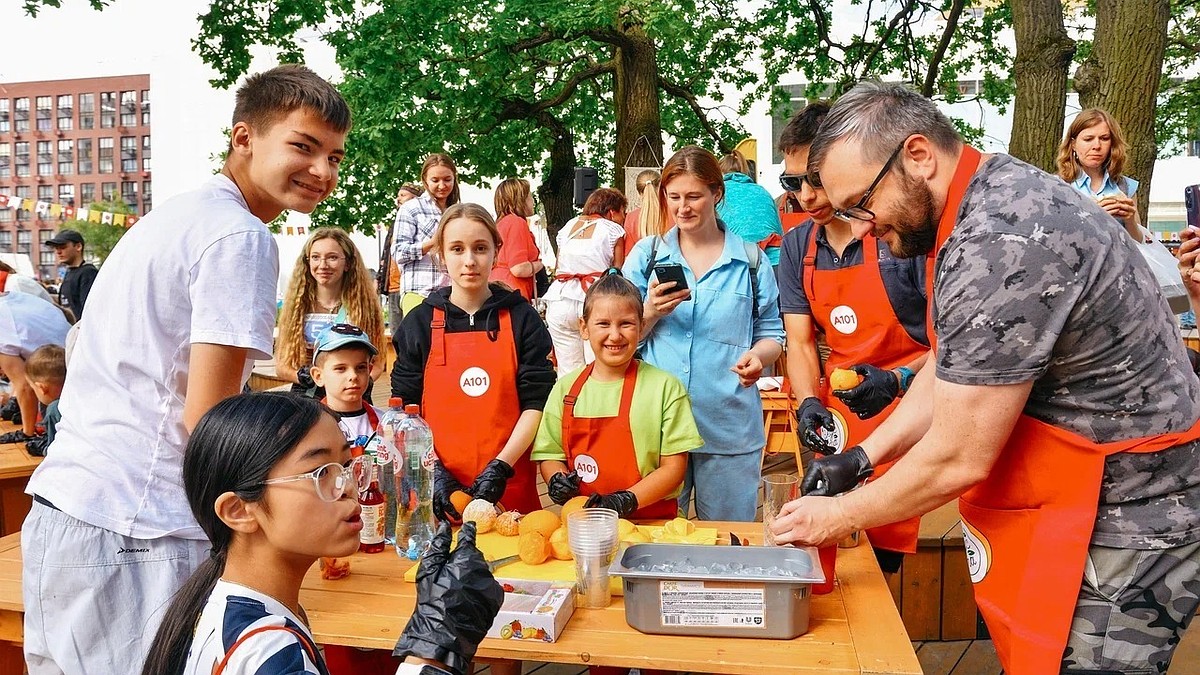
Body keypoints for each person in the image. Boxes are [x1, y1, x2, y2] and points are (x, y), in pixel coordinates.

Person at [772, 81, 1200, 674]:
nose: (863, 229)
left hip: (1131, 510)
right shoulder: (978, 199)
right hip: (1078, 494)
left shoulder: (1001, 239)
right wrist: (863, 458)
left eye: (862, 204)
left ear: (918, 157)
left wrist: (838, 514)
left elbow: (958, 456)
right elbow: (952, 366)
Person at [21, 65, 351, 674]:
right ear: (244, 138)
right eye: (303, 147)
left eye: (334, 156)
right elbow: (209, 423)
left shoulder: (178, 217)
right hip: (138, 525)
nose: (323, 172)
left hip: (73, 507)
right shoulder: (239, 237)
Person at [139, 393, 502, 675]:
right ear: (239, 511)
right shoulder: (269, 653)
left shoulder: (225, 605)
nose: (348, 487)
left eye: (346, 466)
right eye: (320, 473)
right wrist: (433, 650)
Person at [775, 101, 928, 573]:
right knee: (831, 549)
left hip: (912, 410)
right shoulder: (799, 245)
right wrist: (806, 404)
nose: (804, 195)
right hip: (840, 420)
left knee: (883, 557)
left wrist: (898, 377)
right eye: (792, 182)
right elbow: (800, 343)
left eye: (814, 179)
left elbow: (951, 348)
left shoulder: (899, 235)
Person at [622, 146, 784, 522]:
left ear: (717, 194)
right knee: (654, 542)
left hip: (728, 426)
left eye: (694, 196)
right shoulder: (647, 257)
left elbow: (773, 333)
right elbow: (616, 338)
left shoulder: (751, 260)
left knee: (728, 545)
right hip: (658, 429)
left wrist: (759, 357)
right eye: (674, 197)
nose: (683, 207)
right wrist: (648, 312)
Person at [392, 203, 556, 519]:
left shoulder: (523, 319)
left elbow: (537, 403)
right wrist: (436, 475)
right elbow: (403, 413)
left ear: (496, 250)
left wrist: (500, 467)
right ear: (440, 254)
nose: (469, 261)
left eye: (480, 248)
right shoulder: (419, 324)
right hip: (439, 492)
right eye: (457, 249)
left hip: (510, 488)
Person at [534, 271, 700, 521]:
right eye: (603, 324)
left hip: (652, 522)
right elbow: (550, 453)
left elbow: (674, 469)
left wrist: (625, 500)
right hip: (585, 524)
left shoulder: (665, 388)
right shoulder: (565, 389)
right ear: (584, 327)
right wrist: (556, 478)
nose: (615, 335)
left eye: (626, 324)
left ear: (642, 326)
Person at [275, 228, 386, 398]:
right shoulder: (297, 307)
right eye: (315, 257)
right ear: (307, 262)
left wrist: (361, 382)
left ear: (348, 263)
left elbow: (377, 362)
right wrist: (304, 376)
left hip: (351, 395)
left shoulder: (364, 307)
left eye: (332, 257)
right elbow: (282, 367)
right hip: (308, 395)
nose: (323, 265)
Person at [544, 188, 627, 374]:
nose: (624, 218)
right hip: (592, 300)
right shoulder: (614, 229)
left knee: (567, 372)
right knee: (598, 369)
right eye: (623, 212)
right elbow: (618, 270)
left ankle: (568, 402)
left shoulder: (567, 227)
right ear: (612, 212)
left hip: (560, 300)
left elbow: (559, 266)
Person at [1056, 108, 1142, 241]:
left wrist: (1130, 219)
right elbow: (1053, 241)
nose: (1097, 145)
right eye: (1088, 139)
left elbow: (1138, 244)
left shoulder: (1125, 186)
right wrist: (1092, 217)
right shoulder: (1057, 186)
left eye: (1104, 138)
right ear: (1073, 144)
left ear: (1112, 144)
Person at [392, 153, 460, 318]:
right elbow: (398, 253)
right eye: (435, 180)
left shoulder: (458, 211)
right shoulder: (411, 208)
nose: (442, 185)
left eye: (447, 179)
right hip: (419, 292)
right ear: (425, 180)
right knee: (421, 343)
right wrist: (432, 242)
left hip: (453, 295)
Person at [0, 292, 69, 445]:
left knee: (54, 418)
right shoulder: (11, 302)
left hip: (50, 366)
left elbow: (24, 386)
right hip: (66, 348)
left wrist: (27, 432)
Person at [716, 151, 785, 265]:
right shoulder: (762, 191)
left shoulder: (718, 194)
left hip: (740, 262)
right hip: (775, 261)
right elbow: (779, 232)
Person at [380, 184, 425, 329]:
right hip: (393, 286)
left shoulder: (422, 221)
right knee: (396, 335)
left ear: (415, 199)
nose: (398, 199)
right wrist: (380, 279)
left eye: (403, 195)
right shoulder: (395, 224)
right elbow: (387, 255)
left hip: (414, 287)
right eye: (398, 195)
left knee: (413, 334)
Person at [492, 178, 544, 299]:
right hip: (513, 293)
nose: (533, 201)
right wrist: (539, 265)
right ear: (521, 200)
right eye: (530, 196)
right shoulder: (516, 223)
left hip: (496, 289)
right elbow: (519, 268)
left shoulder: (499, 224)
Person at [22, 344, 66, 457]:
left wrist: (42, 449)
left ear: (42, 388)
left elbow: (55, 451)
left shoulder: (54, 410)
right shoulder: (83, 397)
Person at [45, 228, 98, 320]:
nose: (58, 252)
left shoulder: (88, 273)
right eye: (56, 248)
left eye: (63, 247)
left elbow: (89, 310)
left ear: (78, 247)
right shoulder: (70, 272)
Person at [621, 169, 661, 257]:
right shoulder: (674, 213)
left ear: (639, 193)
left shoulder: (631, 217)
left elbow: (629, 254)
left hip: (643, 268)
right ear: (662, 189)